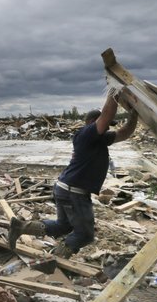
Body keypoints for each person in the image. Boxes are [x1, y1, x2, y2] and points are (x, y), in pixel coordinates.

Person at [8, 90, 138, 258]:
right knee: (85, 235)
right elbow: (106, 114)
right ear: (92, 122)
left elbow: (124, 133)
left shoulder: (99, 140)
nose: (107, 127)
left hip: (65, 188)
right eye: (105, 124)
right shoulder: (86, 134)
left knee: (63, 226)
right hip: (74, 192)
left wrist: (134, 115)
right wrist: (114, 90)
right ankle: (55, 260)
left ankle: (20, 227)